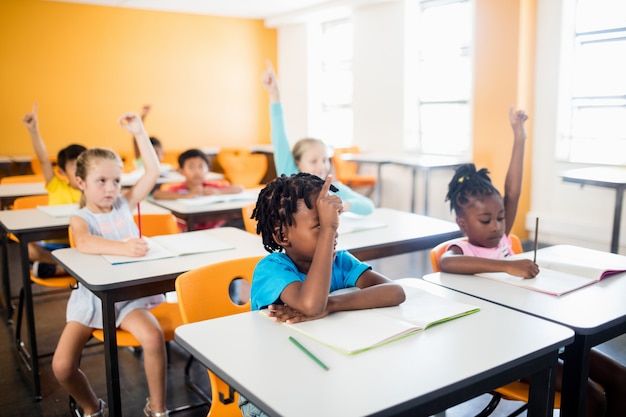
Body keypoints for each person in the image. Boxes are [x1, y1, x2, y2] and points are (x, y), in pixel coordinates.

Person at [440, 107, 626, 417]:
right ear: (462, 223)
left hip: (536, 330)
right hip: (501, 349)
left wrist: (519, 136)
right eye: (485, 220)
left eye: (500, 217)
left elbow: (513, 190)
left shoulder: (500, 238)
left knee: (621, 379)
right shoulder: (460, 249)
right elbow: (447, 264)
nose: (497, 227)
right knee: (590, 398)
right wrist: (507, 266)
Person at [239, 172, 405, 417]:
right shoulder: (271, 269)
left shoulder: (340, 262)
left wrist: (332, 304)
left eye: (335, 224)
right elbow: (311, 305)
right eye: (320, 225)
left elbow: (395, 292)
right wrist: (321, 306)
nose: (334, 234)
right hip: (272, 387)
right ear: (282, 235)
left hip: (329, 371)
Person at [51, 113, 169, 417]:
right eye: (101, 181)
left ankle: (158, 409)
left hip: (128, 299)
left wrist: (139, 132)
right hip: (91, 300)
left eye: (116, 181)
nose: (110, 188)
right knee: (62, 366)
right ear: (81, 183)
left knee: (153, 337)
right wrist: (124, 247)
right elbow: (84, 243)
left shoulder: (123, 205)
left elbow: (152, 172)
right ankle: (92, 408)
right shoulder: (82, 218)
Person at [261, 61, 375, 215]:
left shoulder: (333, 188)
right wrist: (274, 94)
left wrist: (343, 204)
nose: (321, 166)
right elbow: (279, 135)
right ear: (297, 163)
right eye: (313, 161)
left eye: (324, 160)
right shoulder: (290, 177)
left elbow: (368, 206)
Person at [22, 102, 86, 278]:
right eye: (74, 167)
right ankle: (68, 269)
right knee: (27, 248)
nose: (80, 171)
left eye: (84, 165)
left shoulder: (92, 190)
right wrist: (33, 131)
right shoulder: (56, 184)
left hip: (79, 246)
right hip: (53, 247)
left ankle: (58, 269)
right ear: (62, 172)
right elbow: (43, 159)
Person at [152, 148, 244, 230]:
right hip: (189, 229)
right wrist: (186, 195)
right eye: (191, 167)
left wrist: (218, 191)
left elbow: (239, 188)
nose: (197, 171)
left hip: (216, 228)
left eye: (201, 167)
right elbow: (157, 194)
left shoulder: (211, 186)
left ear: (208, 170)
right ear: (181, 171)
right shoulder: (181, 189)